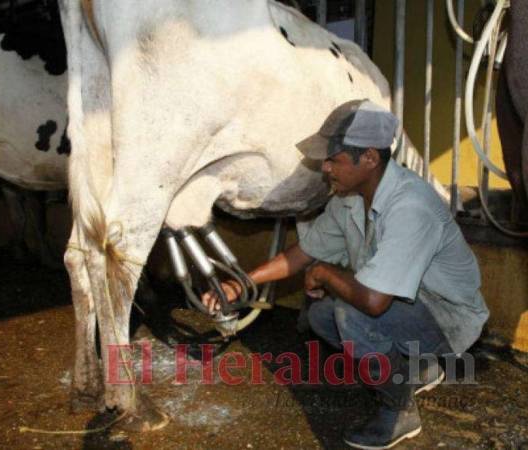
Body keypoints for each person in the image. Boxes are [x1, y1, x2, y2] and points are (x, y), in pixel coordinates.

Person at [202, 99, 489, 449]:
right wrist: (240, 284)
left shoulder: (409, 207)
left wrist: (324, 273)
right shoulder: (351, 196)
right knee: (322, 315)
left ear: (368, 158)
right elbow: (302, 253)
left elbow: (373, 301)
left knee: (350, 313)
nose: (324, 168)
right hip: (411, 307)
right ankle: (417, 368)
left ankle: (399, 410)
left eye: (333, 159)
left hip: (449, 321)